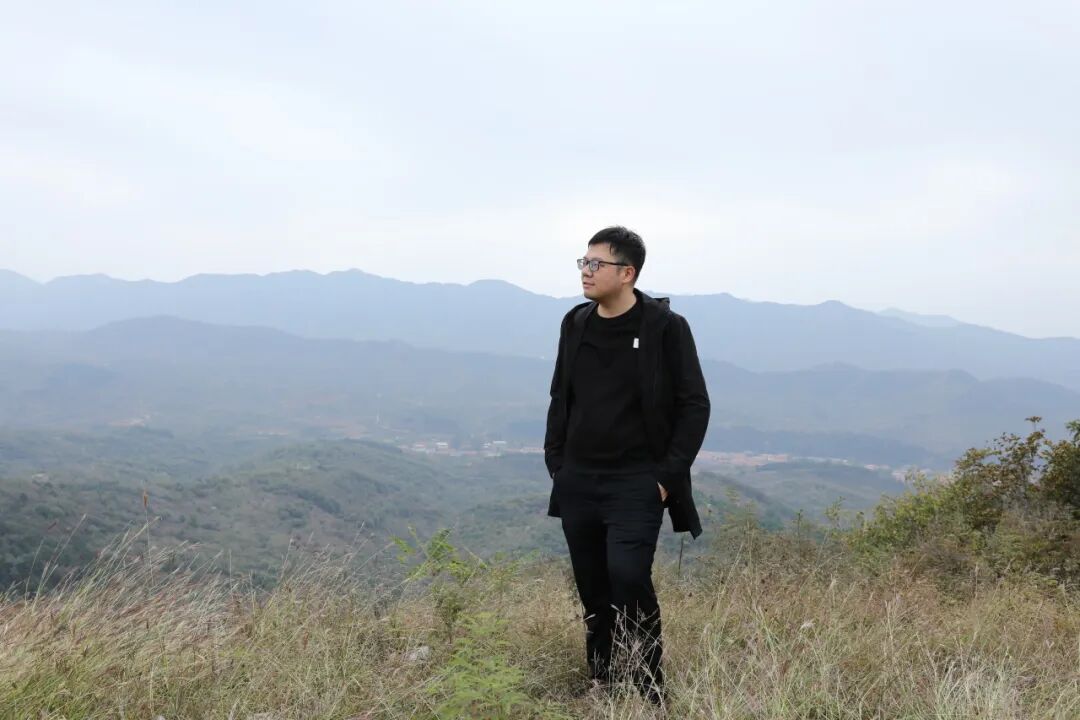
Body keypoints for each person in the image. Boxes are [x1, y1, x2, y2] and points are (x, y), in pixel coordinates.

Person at [544, 225, 711, 707]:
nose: (586, 271)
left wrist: (666, 478)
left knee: (629, 578)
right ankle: (603, 683)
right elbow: (561, 395)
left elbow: (694, 404)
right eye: (584, 262)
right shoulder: (575, 323)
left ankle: (651, 691)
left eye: (596, 264)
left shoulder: (664, 327)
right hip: (578, 479)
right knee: (593, 589)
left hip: (638, 482)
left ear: (627, 273)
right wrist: (557, 461)